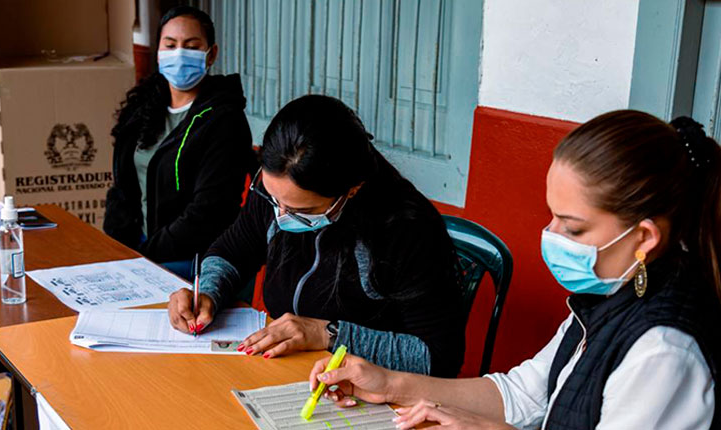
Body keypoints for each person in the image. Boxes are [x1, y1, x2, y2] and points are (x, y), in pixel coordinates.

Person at [308, 110, 721, 429]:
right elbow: (525, 393)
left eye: (573, 227)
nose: (550, 234)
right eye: (553, 216)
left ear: (644, 237)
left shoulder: (664, 351)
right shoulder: (612, 291)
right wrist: (388, 383)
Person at [167, 95, 466, 377]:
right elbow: (233, 251)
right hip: (287, 370)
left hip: (370, 392)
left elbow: (439, 357)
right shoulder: (274, 193)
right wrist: (207, 293)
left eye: (300, 209)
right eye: (274, 199)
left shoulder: (406, 231)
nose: (280, 215)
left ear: (351, 189)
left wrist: (326, 334)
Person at [104, 6, 255, 277]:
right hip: (139, 251)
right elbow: (123, 187)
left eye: (191, 45)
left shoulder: (224, 120)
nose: (179, 54)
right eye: (170, 45)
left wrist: (146, 256)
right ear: (159, 53)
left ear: (212, 54)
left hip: (190, 259)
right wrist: (118, 247)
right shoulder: (142, 108)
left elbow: (209, 211)